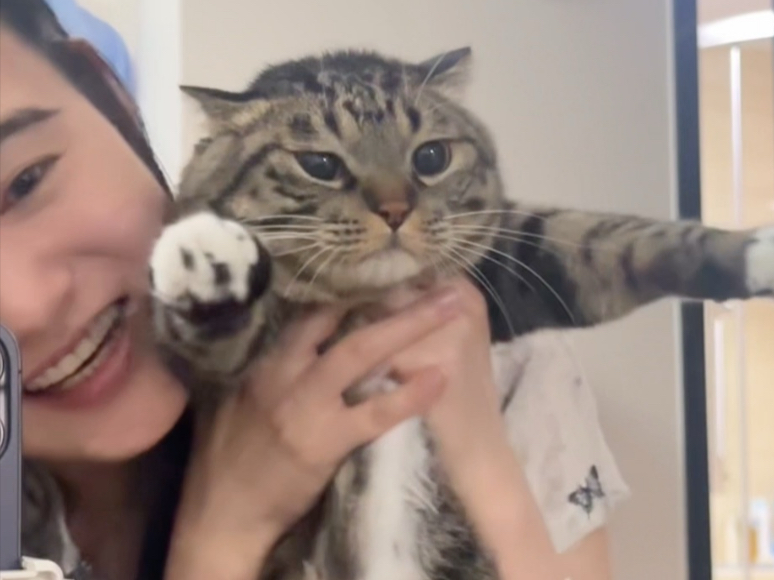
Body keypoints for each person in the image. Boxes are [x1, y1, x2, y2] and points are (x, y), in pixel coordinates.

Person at [0, 1, 628, 579]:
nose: (28, 306)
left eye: (24, 181)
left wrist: (482, 464)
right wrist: (222, 532)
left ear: (112, 94)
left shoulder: (487, 358)